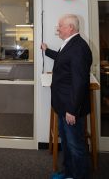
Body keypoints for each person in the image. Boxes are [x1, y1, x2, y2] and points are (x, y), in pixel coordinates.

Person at [41, 14, 92, 179]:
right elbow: (63, 59)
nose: (58, 29)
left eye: (60, 26)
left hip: (71, 108)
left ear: (70, 27)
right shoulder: (71, 44)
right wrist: (46, 50)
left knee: (76, 147)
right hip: (64, 106)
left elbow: (80, 82)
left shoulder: (78, 47)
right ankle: (69, 173)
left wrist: (72, 109)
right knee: (68, 145)